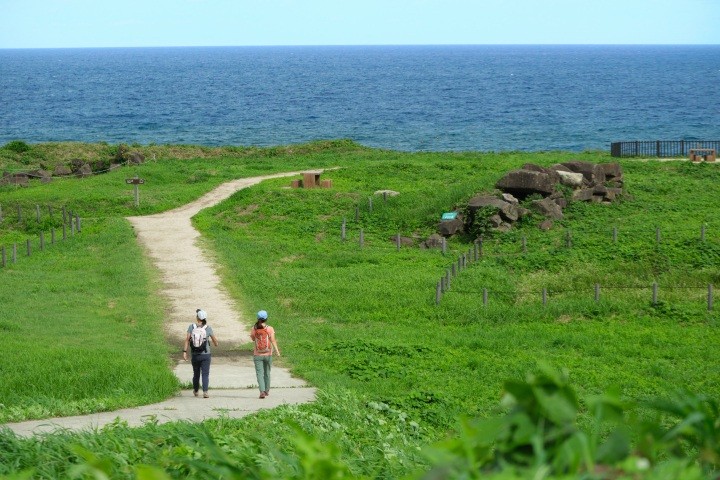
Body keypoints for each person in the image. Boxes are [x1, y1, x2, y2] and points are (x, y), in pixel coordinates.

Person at [182, 308, 218, 398]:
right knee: (205, 374)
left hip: (195, 354)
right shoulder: (208, 328)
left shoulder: (192, 327)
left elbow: (187, 340)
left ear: (197, 317)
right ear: (205, 318)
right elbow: (216, 343)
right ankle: (205, 392)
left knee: (196, 373)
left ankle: (196, 391)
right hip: (206, 354)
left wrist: (185, 352)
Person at [250, 310, 281, 399]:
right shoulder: (269, 328)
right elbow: (273, 340)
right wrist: (277, 351)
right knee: (267, 372)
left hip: (257, 354)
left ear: (257, 318)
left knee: (259, 373)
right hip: (268, 354)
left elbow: (252, 339)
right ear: (266, 318)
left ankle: (262, 391)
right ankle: (267, 390)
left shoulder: (254, 328)